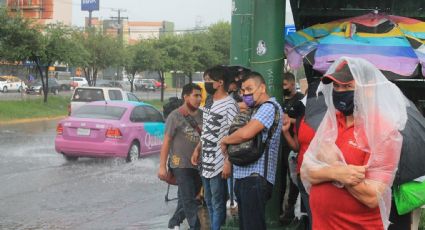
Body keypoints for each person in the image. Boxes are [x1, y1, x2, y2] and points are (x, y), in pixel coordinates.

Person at [301, 57, 408, 229]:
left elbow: (372, 197)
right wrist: (335, 172)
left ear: (368, 89)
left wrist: (335, 165)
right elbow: (306, 172)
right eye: (336, 86)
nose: (339, 91)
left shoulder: (383, 131)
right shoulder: (331, 122)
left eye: (347, 86)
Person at [220, 72, 283, 230]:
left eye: (250, 89)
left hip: (255, 178)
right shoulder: (254, 109)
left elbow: (246, 133)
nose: (246, 93)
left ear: (262, 88)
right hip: (243, 177)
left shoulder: (269, 107)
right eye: (243, 90)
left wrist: (225, 140)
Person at [191, 65, 239, 230]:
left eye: (208, 81)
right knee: (209, 201)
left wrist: (228, 161)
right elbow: (207, 131)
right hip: (206, 160)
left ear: (219, 82)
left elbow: (235, 134)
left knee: (218, 203)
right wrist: (198, 149)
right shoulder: (210, 102)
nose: (206, 84)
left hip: (219, 162)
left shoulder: (230, 105)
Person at [158, 83, 203, 230]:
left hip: (199, 165)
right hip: (180, 164)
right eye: (195, 95)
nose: (199, 99)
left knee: (192, 198)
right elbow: (166, 142)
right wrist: (162, 166)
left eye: (200, 95)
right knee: (189, 199)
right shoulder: (175, 116)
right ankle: (195, 227)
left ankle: (174, 222)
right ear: (186, 97)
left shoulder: (203, 115)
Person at [279, 72, 305, 224]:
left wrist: (290, 120)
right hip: (280, 144)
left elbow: (305, 121)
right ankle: (280, 210)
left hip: (294, 144)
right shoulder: (280, 100)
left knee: (293, 178)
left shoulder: (301, 100)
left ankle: (290, 209)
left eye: (285, 85)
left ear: (292, 83)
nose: (283, 88)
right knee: (280, 179)